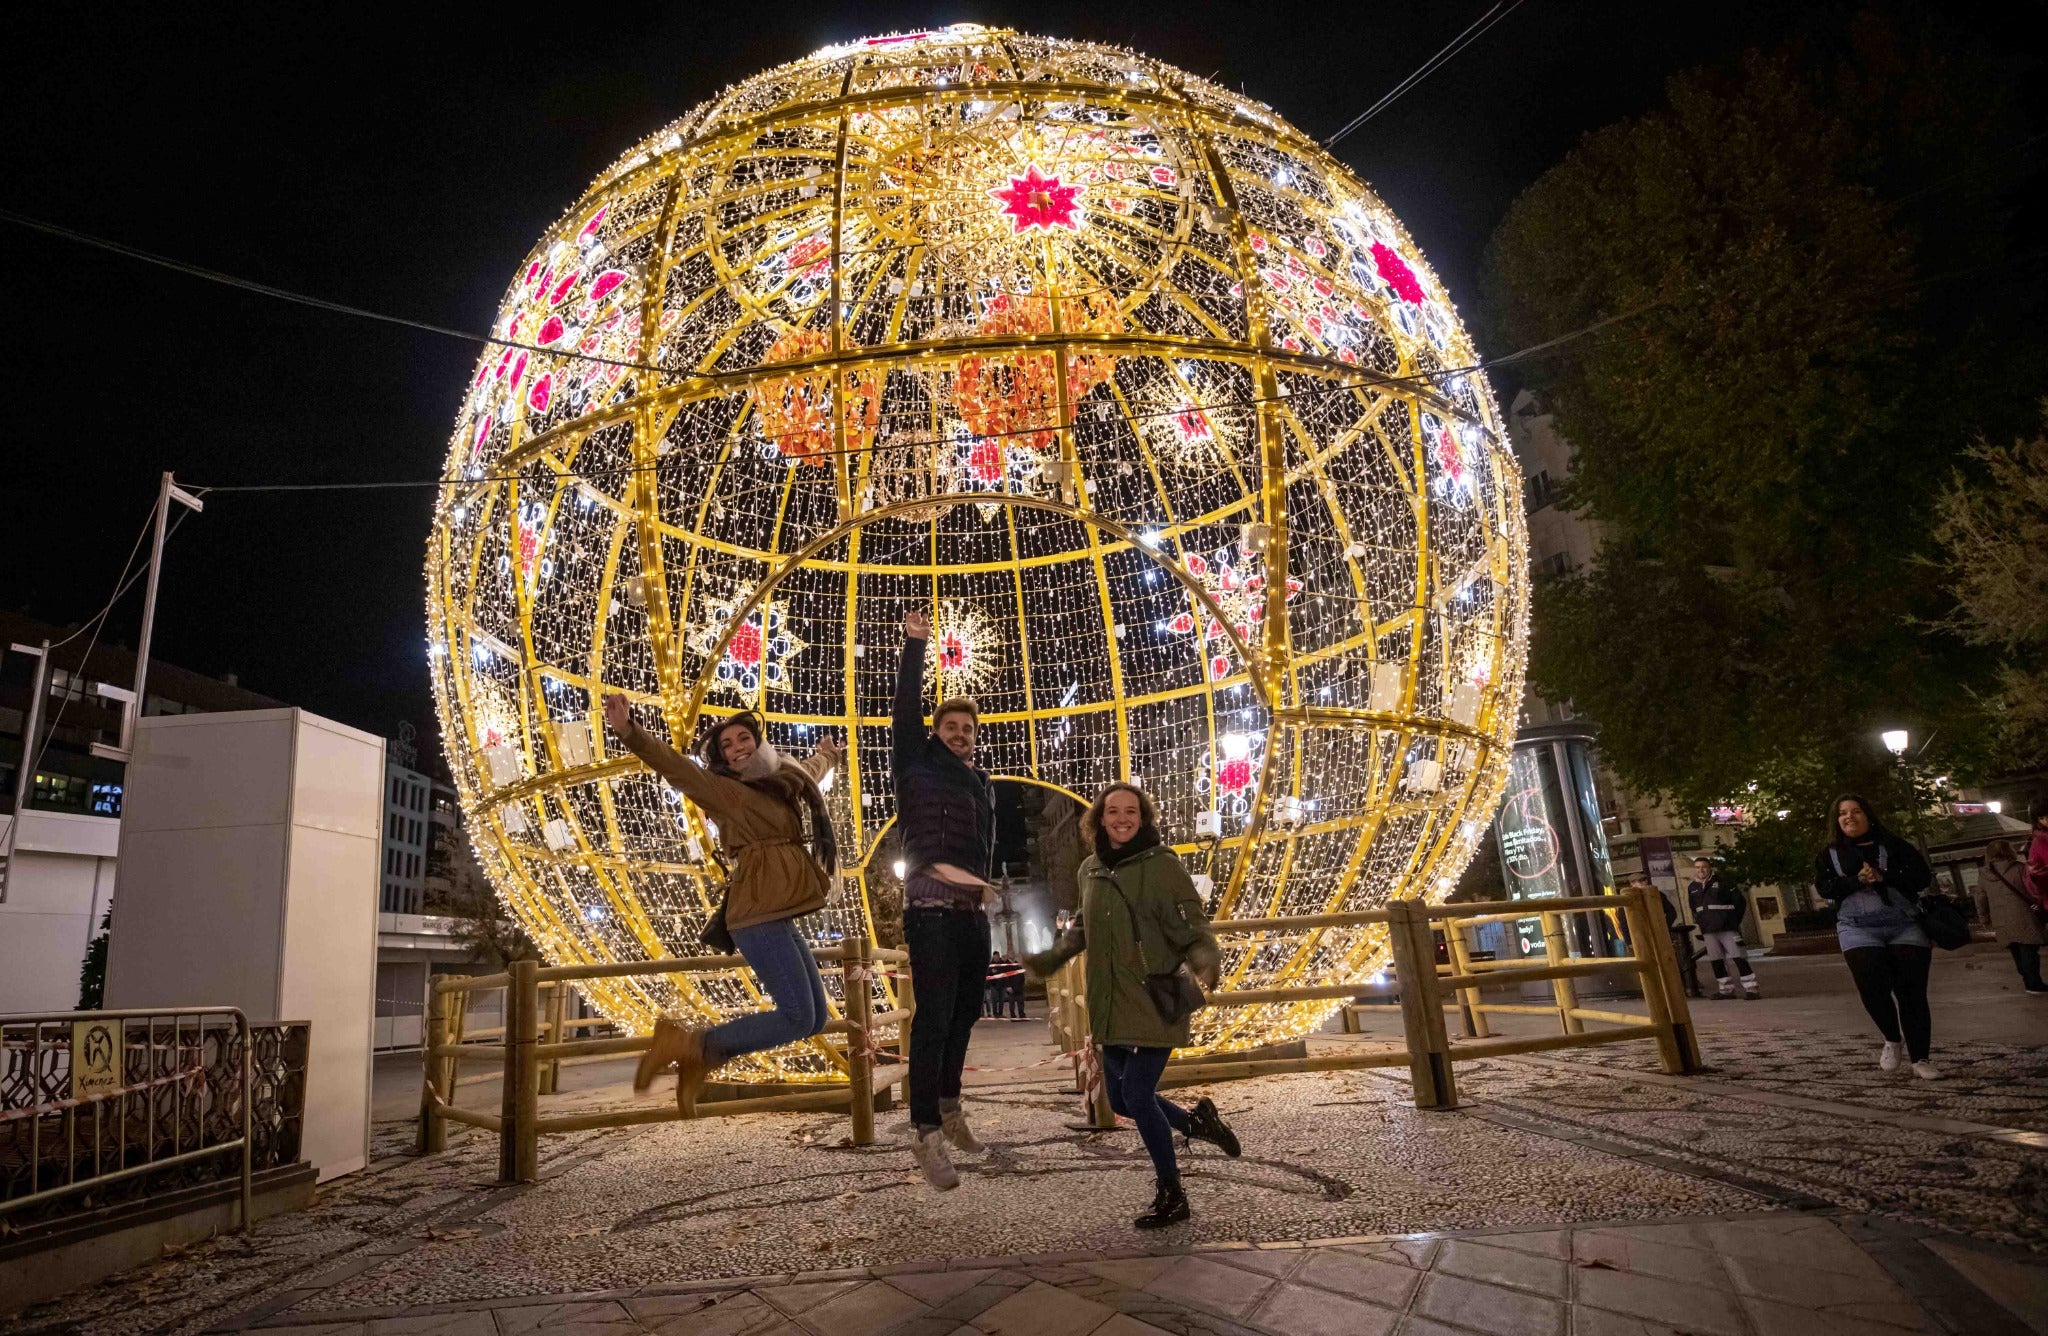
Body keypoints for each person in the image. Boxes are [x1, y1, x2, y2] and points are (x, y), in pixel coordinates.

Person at [601, 695, 841, 1110]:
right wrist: (630, 732)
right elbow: (676, 768)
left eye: (743, 738)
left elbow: (810, 772)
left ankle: (701, 1056)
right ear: (722, 758)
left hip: (776, 914)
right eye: (727, 745)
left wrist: (827, 757)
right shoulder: (724, 791)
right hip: (757, 914)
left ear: (759, 741)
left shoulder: (785, 778)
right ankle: (691, 1045)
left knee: (815, 1018)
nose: (737, 747)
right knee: (798, 1016)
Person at [1027, 782, 1242, 1229]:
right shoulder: (1090, 870)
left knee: (1139, 1095)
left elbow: (1193, 922)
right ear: (1099, 820)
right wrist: (1051, 958)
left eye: (1131, 812)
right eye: (1112, 812)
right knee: (1123, 1101)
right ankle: (1196, 1123)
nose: (1122, 819)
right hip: (1108, 1003)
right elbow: (1082, 929)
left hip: (1153, 997)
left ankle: (1173, 1192)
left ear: (1143, 818)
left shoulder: (1163, 866)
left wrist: (1205, 958)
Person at [893, 608, 997, 1190]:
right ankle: (924, 1129)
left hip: (971, 914)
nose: (960, 735)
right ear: (936, 732)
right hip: (930, 909)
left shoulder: (981, 782)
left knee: (964, 1014)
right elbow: (905, 711)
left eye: (968, 730)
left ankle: (951, 1108)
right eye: (951, 727)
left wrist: (984, 888)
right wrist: (916, 646)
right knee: (932, 1017)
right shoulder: (916, 763)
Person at [1815, 795, 1940, 1079]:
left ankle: (1921, 1058)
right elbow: (1825, 888)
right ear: (1836, 821)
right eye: (1843, 813)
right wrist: (1854, 880)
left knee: (1911, 993)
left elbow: (1920, 878)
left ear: (1868, 815)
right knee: (1871, 983)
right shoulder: (1829, 854)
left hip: (1903, 923)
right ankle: (1892, 1038)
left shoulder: (1894, 845)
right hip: (1857, 926)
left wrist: (1886, 876)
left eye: (1856, 811)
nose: (1849, 817)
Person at [1686, 858, 1760, 1000]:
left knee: (1739, 957)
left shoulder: (1724, 883)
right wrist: (1701, 922)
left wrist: (1733, 921)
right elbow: (1693, 908)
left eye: (1703, 867)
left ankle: (1752, 989)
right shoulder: (1692, 887)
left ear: (1709, 868)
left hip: (1727, 928)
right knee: (1716, 960)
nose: (1700, 870)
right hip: (1708, 930)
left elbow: (1740, 902)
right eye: (1697, 867)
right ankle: (1725, 990)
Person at [1983, 838, 2046, 994]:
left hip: (2000, 919)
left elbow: (1980, 898)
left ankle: (2027, 981)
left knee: (2015, 950)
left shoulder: (1984, 874)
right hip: (2023, 915)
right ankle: (2033, 983)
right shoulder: (2020, 869)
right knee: (2028, 949)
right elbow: (2033, 890)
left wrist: (1984, 917)